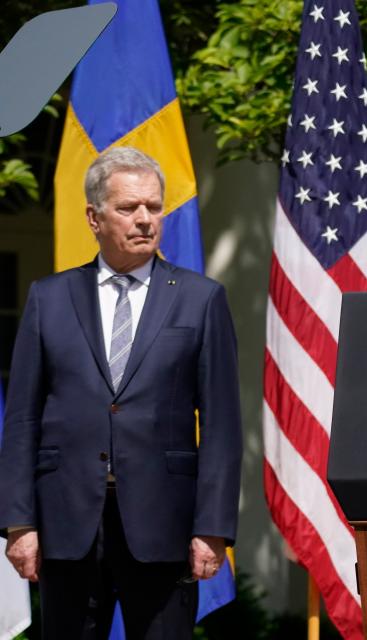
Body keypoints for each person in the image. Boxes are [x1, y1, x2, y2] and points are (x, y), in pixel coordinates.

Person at [0, 147, 242, 639]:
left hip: (165, 524)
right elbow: (22, 418)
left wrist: (212, 528)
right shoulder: (48, 298)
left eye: (153, 207)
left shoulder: (201, 299)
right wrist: (19, 523)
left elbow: (222, 426)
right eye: (128, 208)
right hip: (67, 523)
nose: (145, 219)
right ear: (93, 217)